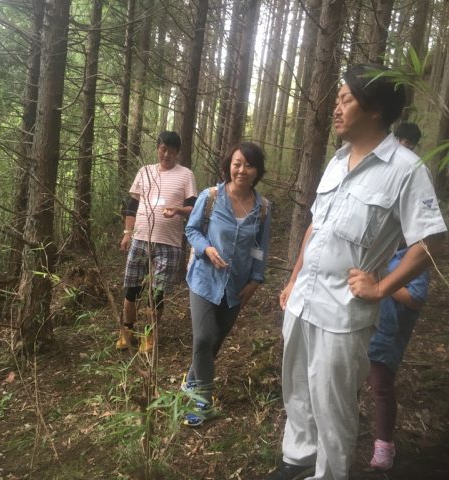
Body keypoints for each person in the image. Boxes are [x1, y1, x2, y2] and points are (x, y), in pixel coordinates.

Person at [267, 63, 447, 480]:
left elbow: (431, 242)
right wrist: (293, 280)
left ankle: (329, 474)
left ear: (374, 108)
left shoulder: (406, 169)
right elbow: (315, 227)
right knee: (297, 389)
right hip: (303, 301)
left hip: (342, 313)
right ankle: (298, 459)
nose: (336, 108)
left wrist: (381, 287)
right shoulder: (336, 161)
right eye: (338, 99)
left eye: (345, 99)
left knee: (332, 404)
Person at [182, 142, 271, 426]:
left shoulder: (262, 208)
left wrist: (255, 280)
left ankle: (192, 379)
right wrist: (206, 249)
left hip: (235, 287)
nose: (242, 170)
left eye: (249, 165)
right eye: (237, 163)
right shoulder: (210, 197)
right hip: (204, 280)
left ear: (257, 171)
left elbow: (259, 248)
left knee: (215, 341)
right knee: (204, 338)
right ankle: (202, 401)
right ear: (228, 166)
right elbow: (191, 230)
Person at [117, 131, 197, 352]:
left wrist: (178, 210)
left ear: (177, 152)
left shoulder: (185, 175)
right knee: (132, 288)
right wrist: (127, 232)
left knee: (157, 293)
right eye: (163, 149)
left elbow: (194, 207)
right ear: (158, 148)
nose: (166, 154)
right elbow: (132, 205)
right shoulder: (145, 172)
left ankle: (149, 335)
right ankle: (127, 331)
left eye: (171, 151)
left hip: (168, 244)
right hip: (140, 239)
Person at [367, 247, 429, 471]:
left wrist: (381, 283)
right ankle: (346, 430)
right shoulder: (378, 248)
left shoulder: (413, 255)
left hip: (387, 334)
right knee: (350, 382)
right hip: (364, 328)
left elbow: (416, 297)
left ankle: (384, 444)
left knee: (381, 387)